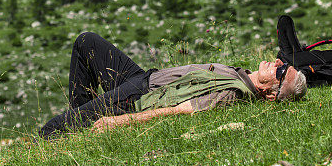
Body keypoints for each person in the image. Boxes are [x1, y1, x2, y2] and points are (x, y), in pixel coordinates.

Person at [40, 32, 307, 138]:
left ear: (271, 94)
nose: (275, 62)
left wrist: (122, 121)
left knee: (51, 129)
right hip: (142, 77)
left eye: (281, 69)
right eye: (281, 62)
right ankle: (81, 122)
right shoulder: (242, 76)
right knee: (86, 42)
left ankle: (74, 129)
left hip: (141, 94)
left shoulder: (233, 94)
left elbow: (182, 109)